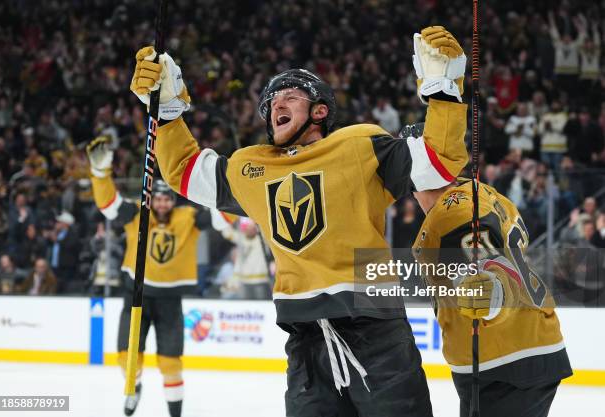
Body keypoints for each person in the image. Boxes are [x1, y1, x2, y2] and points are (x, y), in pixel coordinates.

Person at [130, 26, 469, 416]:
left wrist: (443, 91)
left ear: (320, 111)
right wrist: (168, 112)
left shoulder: (360, 145)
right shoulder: (250, 167)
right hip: (305, 342)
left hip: (376, 330)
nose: (276, 105)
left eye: (290, 97)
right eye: (271, 103)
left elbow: (438, 164)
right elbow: (187, 172)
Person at [406, 123, 572, 417]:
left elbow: (489, 272)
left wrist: (492, 295)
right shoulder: (482, 193)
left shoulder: (453, 208)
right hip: (515, 350)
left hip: (503, 359)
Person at [86, 135, 228, 417]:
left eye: (167, 199)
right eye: (159, 198)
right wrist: (100, 173)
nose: (162, 204)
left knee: (171, 364)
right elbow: (108, 205)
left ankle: (175, 413)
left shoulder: (188, 217)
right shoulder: (137, 214)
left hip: (169, 300)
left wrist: (225, 187)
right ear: (152, 198)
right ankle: (134, 387)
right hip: (135, 296)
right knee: (128, 358)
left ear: (173, 201)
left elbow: (223, 218)